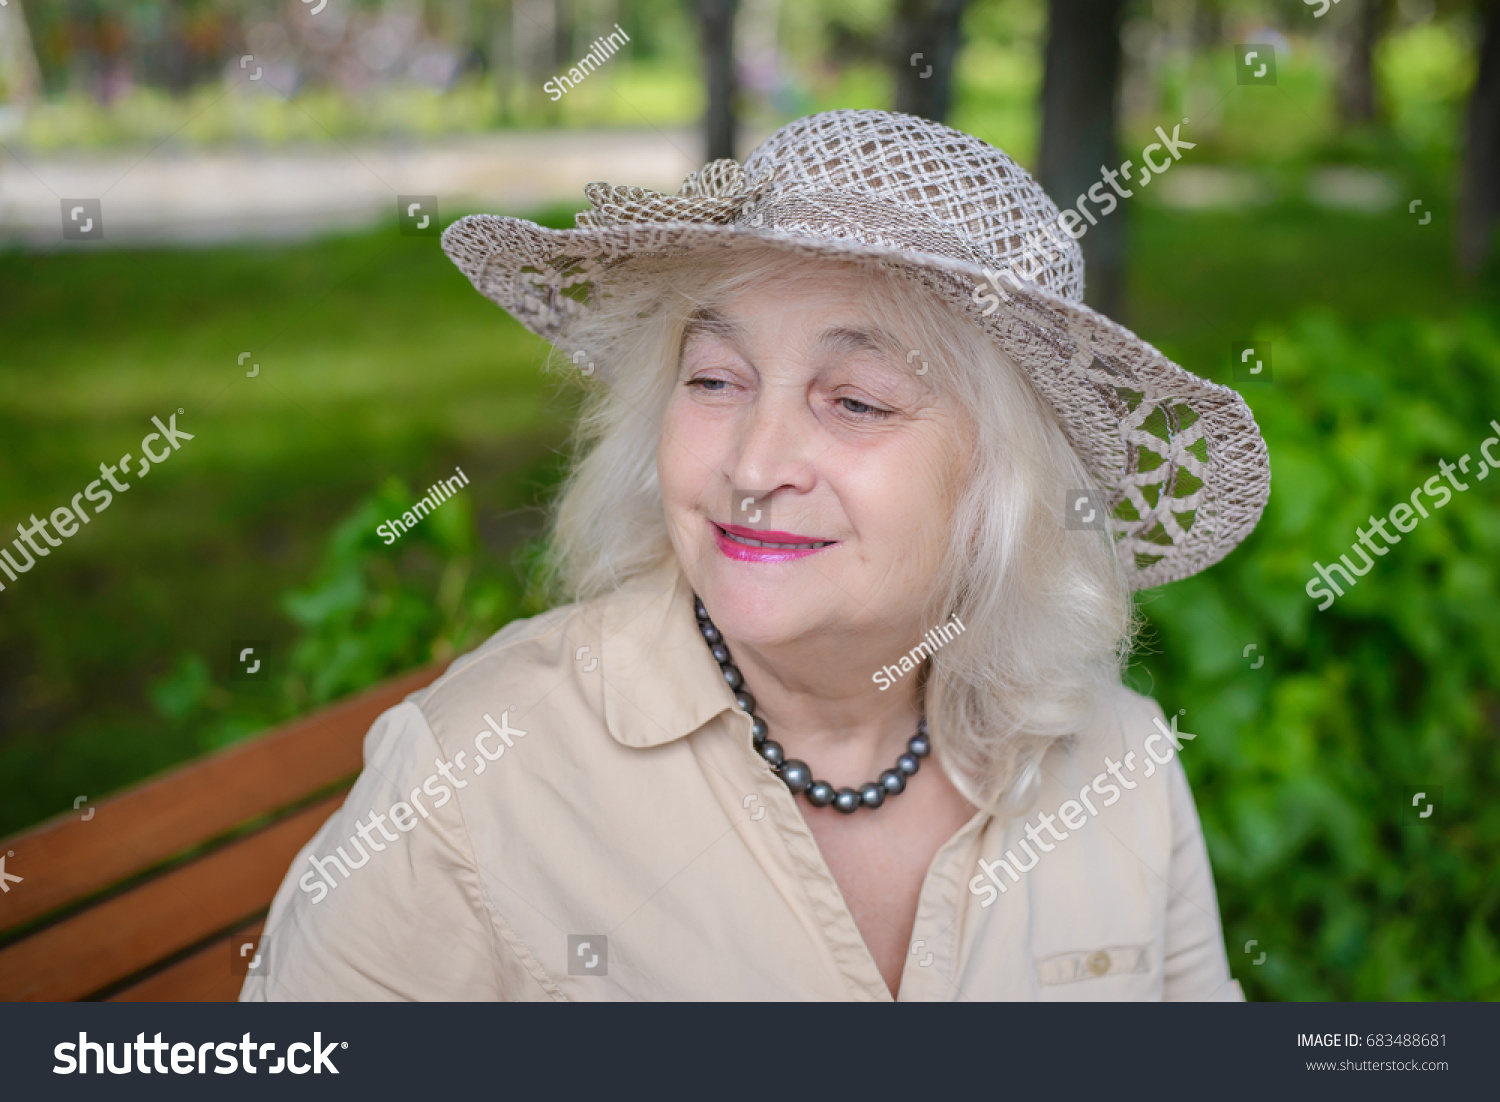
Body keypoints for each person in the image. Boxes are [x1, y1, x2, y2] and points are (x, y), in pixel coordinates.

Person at [241, 109, 1268, 1001]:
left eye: (855, 400)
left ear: (1004, 487)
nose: (754, 463)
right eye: (718, 380)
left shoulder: (1119, 764)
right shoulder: (480, 775)